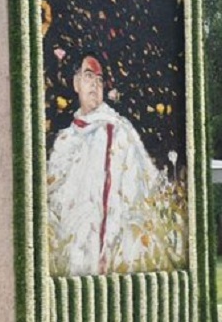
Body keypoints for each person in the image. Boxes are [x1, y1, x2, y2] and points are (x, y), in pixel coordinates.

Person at [46, 54, 185, 276]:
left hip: (109, 245)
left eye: (100, 80)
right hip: (72, 247)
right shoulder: (65, 140)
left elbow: (135, 187)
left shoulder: (117, 130)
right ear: (75, 83)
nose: (95, 84)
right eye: (89, 76)